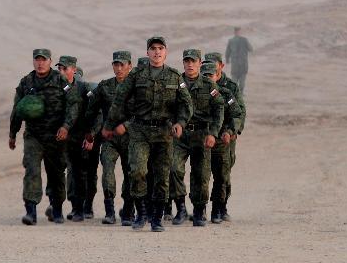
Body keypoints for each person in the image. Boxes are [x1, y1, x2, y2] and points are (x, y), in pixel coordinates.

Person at [102, 36, 193, 232]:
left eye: (160, 48)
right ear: (147, 52)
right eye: (153, 49)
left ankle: (157, 218)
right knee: (137, 171)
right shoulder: (137, 75)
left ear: (166, 52)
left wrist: (180, 122)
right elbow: (120, 99)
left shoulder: (175, 76)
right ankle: (141, 212)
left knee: (161, 176)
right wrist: (109, 125)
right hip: (140, 131)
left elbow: (186, 104)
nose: (157, 52)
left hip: (164, 133)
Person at [9, 49, 79, 226]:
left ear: (50, 61)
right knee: (32, 170)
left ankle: (57, 210)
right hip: (34, 136)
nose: (40, 63)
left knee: (56, 173)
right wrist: (13, 133)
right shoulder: (26, 82)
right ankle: (30, 211)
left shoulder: (59, 80)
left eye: (44, 60)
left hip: (56, 136)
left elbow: (73, 104)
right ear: (33, 61)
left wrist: (66, 126)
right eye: (37, 60)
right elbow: (17, 109)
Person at [169, 50, 224, 227]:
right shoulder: (175, 82)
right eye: (187, 61)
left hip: (201, 135)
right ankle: (181, 207)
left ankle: (199, 211)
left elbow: (219, 110)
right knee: (174, 169)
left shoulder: (209, 85)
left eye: (193, 61)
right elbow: (167, 105)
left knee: (201, 174)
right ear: (183, 63)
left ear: (200, 63)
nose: (190, 64)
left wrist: (213, 133)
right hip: (180, 135)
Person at [84, 50, 134, 226]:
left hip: (131, 139)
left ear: (130, 66)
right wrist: (90, 132)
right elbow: (92, 110)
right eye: (116, 64)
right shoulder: (105, 86)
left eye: (122, 64)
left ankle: (128, 211)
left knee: (131, 174)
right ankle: (110, 211)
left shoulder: (137, 87)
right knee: (107, 172)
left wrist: (126, 125)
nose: (119, 68)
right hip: (109, 138)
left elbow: (142, 112)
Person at [204, 52, 245, 223]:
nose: (210, 69)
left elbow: (239, 112)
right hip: (205, 137)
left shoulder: (230, 87)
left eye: (213, 65)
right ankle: (202, 208)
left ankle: (221, 206)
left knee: (223, 173)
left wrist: (232, 131)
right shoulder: (200, 85)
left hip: (225, 137)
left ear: (221, 66)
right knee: (202, 174)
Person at [55, 55, 97, 222]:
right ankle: (60, 205)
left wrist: (92, 134)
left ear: (73, 69)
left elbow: (96, 112)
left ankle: (84, 206)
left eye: (64, 68)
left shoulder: (85, 88)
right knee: (61, 171)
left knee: (83, 172)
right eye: (59, 68)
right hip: (63, 137)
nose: (61, 72)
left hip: (81, 136)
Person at [225, 27, 253, 93]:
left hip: (235, 64)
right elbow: (251, 49)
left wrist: (227, 60)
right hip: (243, 64)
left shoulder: (231, 40)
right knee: (242, 79)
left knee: (234, 78)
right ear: (239, 32)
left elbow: (227, 52)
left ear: (234, 32)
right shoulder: (244, 40)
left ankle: (234, 93)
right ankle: (241, 93)